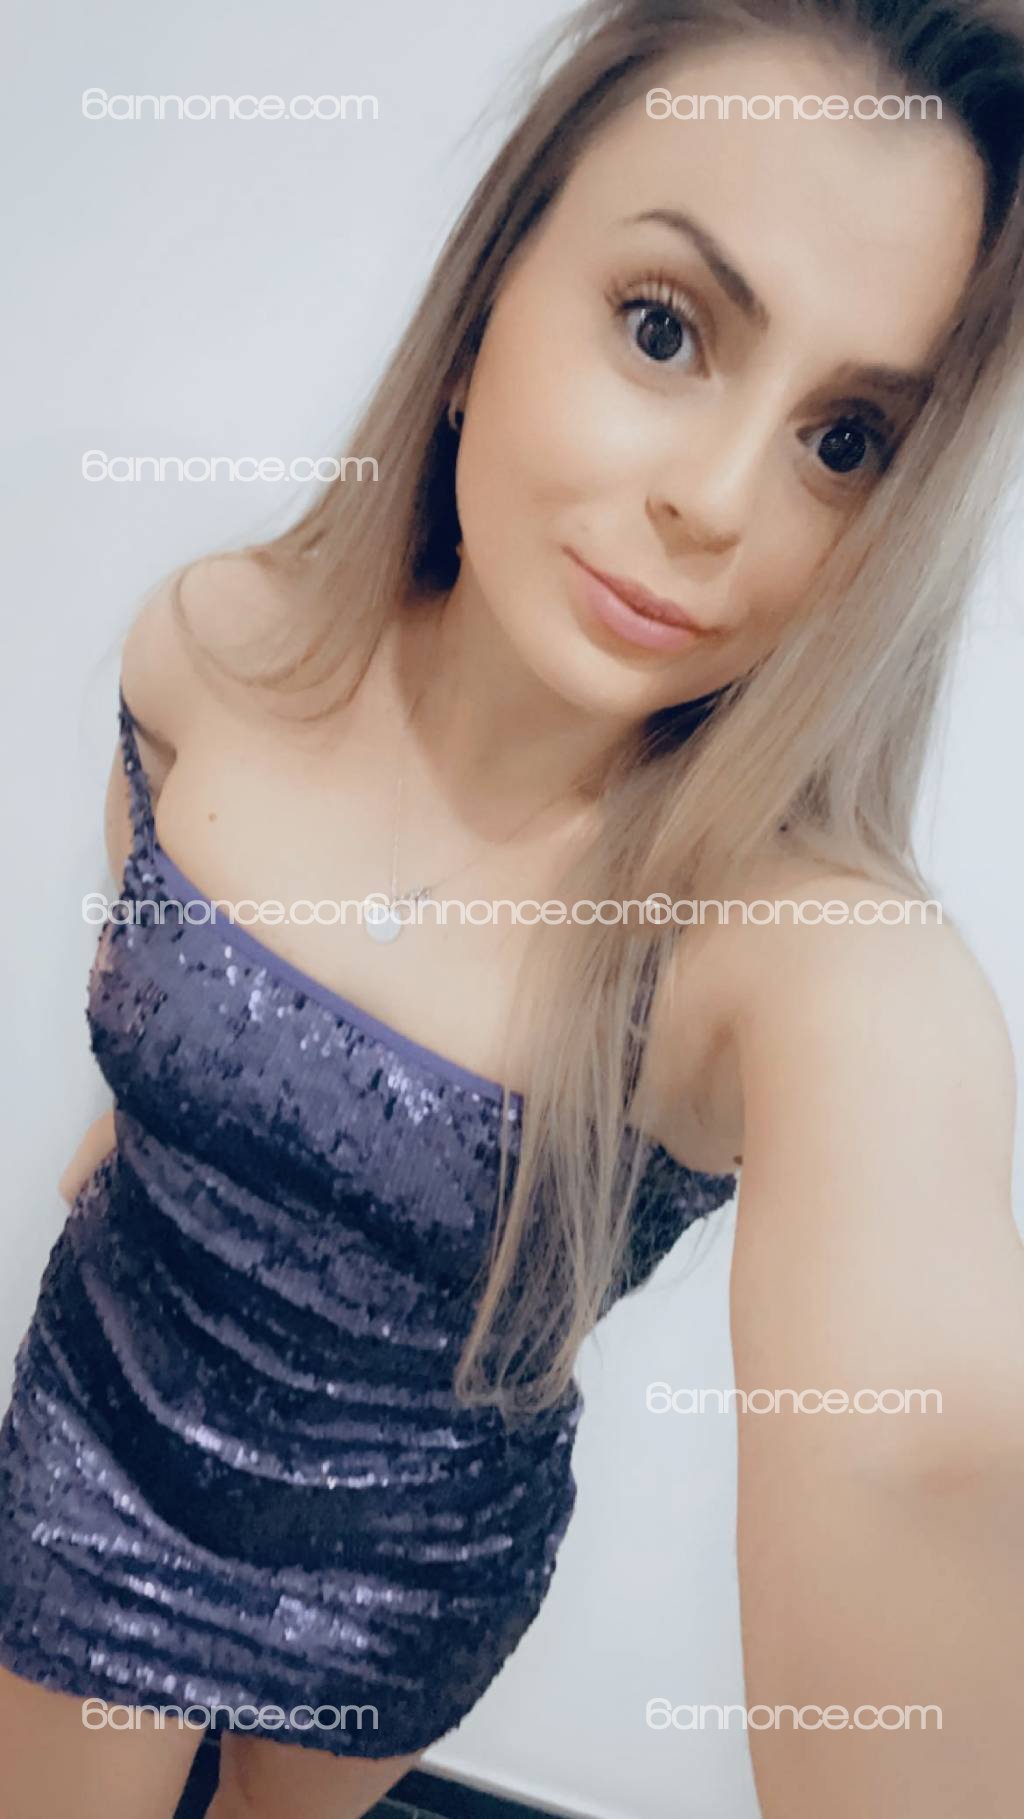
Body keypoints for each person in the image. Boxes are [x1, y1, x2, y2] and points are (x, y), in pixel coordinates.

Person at [3, 1, 1024, 1815]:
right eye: (665, 329)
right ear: (489, 302)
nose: (716, 501)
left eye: (847, 440)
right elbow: (139, 926)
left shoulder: (800, 968)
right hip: (104, 1448)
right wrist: (148, 1133)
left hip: (409, 1577)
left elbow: (926, 1459)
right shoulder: (210, 649)